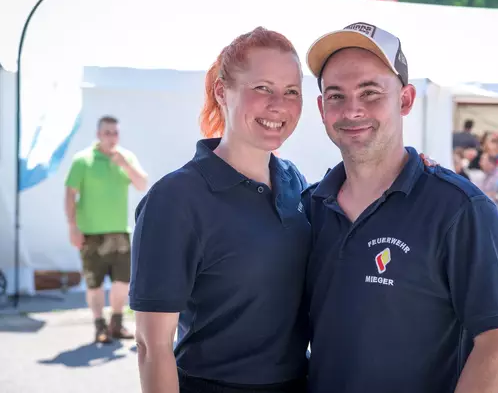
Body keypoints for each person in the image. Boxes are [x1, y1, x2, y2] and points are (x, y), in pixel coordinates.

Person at [128, 25, 442, 393]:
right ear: (222, 92)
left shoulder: (295, 184)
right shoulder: (176, 199)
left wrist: (414, 171)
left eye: (291, 91)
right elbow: (151, 347)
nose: (278, 104)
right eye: (262, 88)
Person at [304, 22, 498, 393]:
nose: (352, 110)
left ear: (405, 100)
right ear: (322, 108)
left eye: (370, 92)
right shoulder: (309, 208)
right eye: (336, 96)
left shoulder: (459, 209)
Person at [64, 115, 148, 343]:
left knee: (123, 282)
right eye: (107, 133)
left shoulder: (126, 157)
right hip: (91, 234)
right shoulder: (83, 160)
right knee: (95, 284)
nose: (112, 137)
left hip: (120, 232)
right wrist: (72, 226)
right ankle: (99, 325)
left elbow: (142, 184)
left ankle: (117, 323)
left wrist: (125, 165)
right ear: (98, 134)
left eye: (115, 133)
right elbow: (70, 194)